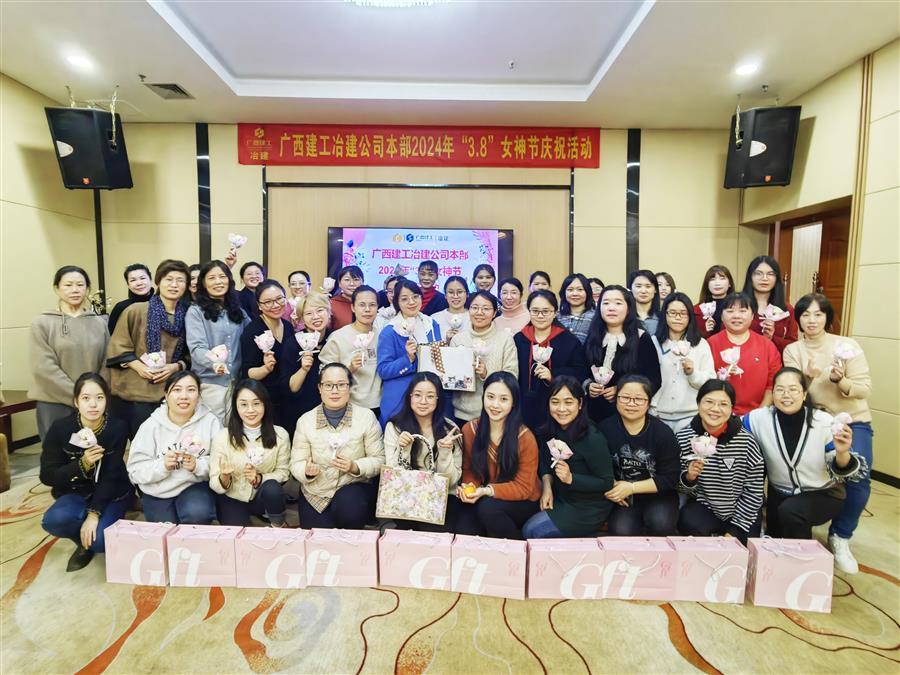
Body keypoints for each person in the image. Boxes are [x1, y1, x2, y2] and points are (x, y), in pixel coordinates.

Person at [783, 293, 873, 572]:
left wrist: (840, 380)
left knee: (858, 477)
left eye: (818, 314)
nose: (811, 320)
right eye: (805, 314)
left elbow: (864, 389)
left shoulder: (846, 346)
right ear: (798, 319)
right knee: (807, 476)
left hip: (851, 420)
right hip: (814, 422)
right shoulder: (793, 350)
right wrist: (808, 377)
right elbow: (791, 394)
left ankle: (841, 535)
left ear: (827, 317)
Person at [744, 367, 865, 540]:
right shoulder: (758, 419)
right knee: (774, 541)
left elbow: (842, 470)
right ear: (773, 394)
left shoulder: (824, 422)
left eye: (793, 389)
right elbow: (730, 427)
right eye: (780, 389)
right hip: (780, 494)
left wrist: (842, 452)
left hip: (823, 493)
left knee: (791, 513)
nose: (786, 395)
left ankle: (804, 555)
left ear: (804, 394)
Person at [40, 373, 131, 571]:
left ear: (107, 400)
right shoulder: (61, 428)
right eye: (86, 398)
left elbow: (112, 475)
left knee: (101, 541)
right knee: (54, 520)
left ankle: (96, 530)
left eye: (99, 398)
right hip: (75, 492)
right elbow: (47, 475)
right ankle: (82, 542)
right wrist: (82, 464)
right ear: (76, 401)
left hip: (111, 493)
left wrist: (94, 514)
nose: (93, 405)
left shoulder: (116, 428)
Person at [290, 363, 385, 528]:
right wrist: (306, 472)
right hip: (316, 492)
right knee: (317, 537)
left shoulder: (366, 417)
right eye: (328, 385)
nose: (335, 391)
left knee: (350, 507)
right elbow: (295, 463)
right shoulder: (305, 421)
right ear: (320, 388)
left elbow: (379, 459)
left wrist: (355, 466)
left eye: (341, 385)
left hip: (352, 488)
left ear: (350, 387)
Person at [522, 376, 615, 539]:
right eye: (555, 402)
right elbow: (545, 462)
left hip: (587, 507)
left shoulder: (592, 438)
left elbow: (606, 482)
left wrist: (571, 478)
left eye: (568, 402)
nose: (561, 409)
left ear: (580, 404)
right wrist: (547, 487)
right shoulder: (549, 429)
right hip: (560, 496)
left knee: (532, 530)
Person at [107, 259, 191, 437]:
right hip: (135, 392)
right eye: (169, 279)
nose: (174, 285)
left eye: (180, 280)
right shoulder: (136, 310)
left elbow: (192, 353)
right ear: (158, 281)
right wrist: (139, 366)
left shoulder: (190, 315)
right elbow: (118, 345)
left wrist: (176, 367)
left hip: (172, 390)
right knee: (141, 444)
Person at [675, 380, 764, 544]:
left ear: (732, 408)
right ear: (698, 403)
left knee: (746, 546)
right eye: (709, 402)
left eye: (723, 404)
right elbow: (680, 487)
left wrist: (734, 531)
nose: (715, 409)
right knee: (687, 522)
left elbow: (754, 491)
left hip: (741, 509)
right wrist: (689, 478)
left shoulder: (746, 442)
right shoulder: (684, 438)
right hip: (705, 506)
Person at [127, 371, 221, 524]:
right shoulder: (151, 426)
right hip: (157, 490)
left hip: (193, 485)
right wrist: (162, 466)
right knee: (165, 531)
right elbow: (135, 471)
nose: (184, 396)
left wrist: (197, 465)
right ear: (166, 394)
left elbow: (221, 462)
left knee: (197, 513)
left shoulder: (211, 422)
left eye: (191, 390)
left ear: (199, 395)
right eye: (177, 390)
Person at [456, 372, 541, 539]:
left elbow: (524, 488)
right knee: (464, 524)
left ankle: (516, 550)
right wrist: (469, 488)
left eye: (503, 399)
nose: (495, 405)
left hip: (523, 500)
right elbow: (469, 470)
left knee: (488, 508)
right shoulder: (470, 430)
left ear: (513, 402)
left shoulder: (525, 437)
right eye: (490, 397)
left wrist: (486, 491)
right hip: (485, 494)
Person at [29, 265, 109, 441]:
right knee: (57, 452)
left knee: (93, 450)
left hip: (92, 404)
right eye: (68, 285)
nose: (75, 290)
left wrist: (92, 395)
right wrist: (79, 395)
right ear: (57, 288)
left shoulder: (99, 322)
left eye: (80, 285)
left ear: (87, 288)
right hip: (54, 402)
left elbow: (106, 361)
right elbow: (43, 367)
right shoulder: (42, 322)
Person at [599, 375, 680, 536]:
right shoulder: (605, 428)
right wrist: (612, 488)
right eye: (625, 397)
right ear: (616, 399)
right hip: (623, 496)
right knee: (621, 530)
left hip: (658, 494)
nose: (631, 404)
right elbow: (598, 466)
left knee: (660, 524)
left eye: (639, 399)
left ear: (648, 402)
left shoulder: (662, 433)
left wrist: (631, 487)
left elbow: (671, 478)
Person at [383, 373, 463, 531]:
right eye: (418, 395)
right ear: (410, 397)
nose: (423, 401)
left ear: (438, 399)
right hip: (406, 493)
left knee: (435, 529)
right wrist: (404, 449)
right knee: (408, 527)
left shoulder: (450, 430)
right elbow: (392, 475)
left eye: (430, 396)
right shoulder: (395, 427)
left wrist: (445, 453)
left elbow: (453, 481)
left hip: (442, 496)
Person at [209, 379, 290, 527]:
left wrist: (259, 478)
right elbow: (214, 482)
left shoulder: (280, 434)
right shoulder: (222, 436)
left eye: (256, 403)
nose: (251, 410)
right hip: (232, 496)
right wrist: (225, 477)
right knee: (236, 534)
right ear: (236, 406)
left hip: (261, 496)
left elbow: (283, 473)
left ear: (265, 404)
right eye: (244, 404)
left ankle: (278, 524)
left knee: (272, 488)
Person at [584, 285, 661, 423]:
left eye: (618, 303)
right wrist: (588, 385)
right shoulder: (593, 336)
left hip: (628, 414)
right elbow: (581, 369)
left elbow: (653, 379)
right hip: (592, 414)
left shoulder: (642, 339)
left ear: (629, 308)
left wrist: (622, 390)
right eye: (606, 303)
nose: (611, 308)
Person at [186, 260, 250, 422]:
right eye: (211, 278)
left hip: (237, 384)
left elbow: (253, 336)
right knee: (212, 431)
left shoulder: (238, 311)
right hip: (210, 385)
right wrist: (214, 363)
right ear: (203, 283)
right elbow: (197, 348)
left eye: (222, 276)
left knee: (233, 432)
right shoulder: (196, 311)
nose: (218, 282)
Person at [514, 290, 588, 431]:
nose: (540, 316)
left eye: (546, 311)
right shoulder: (519, 339)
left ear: (555, 313)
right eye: (535, 311)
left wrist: (553, 374)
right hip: (524, 406)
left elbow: (580, 371)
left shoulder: (569, 341)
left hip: (558, 408)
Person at [376, 279, 441, 426]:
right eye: (404, 299)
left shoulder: (431, 324)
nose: (411, 302)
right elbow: (383, 370)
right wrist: (408, 359)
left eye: (415, 296)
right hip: (400, 398)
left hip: (428, 397)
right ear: (397, 302)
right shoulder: (390, 331)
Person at [707, 292, 782, 415]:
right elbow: (703, 382)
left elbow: (772, 385)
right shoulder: (710, 344)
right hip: (718, 414)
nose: (736, 316)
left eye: (742, 311)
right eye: (730, 311)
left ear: (752, 316)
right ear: (721, 316)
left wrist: (756, 416)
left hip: (758, 415)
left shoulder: (767, 346)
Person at [450, 291, 518, 424]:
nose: (479, 312)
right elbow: (452, 379)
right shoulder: (458, 340)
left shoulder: (505, 340)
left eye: (486, 309)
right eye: (475, 308)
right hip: (463, 414)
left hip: (496, 413)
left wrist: (487, 374)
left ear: (494, 313)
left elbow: (512, 376)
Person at [650, 292, 715, 431]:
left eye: (683, 313)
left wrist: (693, 373)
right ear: (665, 315)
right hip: (658, 415)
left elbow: (710, 380)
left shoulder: (700, 344)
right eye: (672, 313)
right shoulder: (653, 342)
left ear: (690, 316)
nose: (678, 318)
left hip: (691, 416)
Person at [239, 280, 294, 430]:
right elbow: (248, 373)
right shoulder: (253, 331)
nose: (275, 305)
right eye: (268, 302)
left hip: (288, 398)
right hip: (264, 400)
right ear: (259, 305)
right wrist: (266, 369)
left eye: (279, 299)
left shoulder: (288, 327)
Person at [320, 285, 382, 416]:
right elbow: (324, 373)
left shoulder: (382, 336)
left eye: (372, 305)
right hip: (349, 405)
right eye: (362, 305)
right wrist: (350, 368)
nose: (367, 309)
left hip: (379, 404)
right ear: (353, 307)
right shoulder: (338, 337)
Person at [279, 292, 332, 435]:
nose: (315, 317)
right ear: (302, 319)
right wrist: (303, 369)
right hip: (300, 411)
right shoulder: (293, 343)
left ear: (328, 312)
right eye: (309, 313)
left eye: (320, 310)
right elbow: (291, 388)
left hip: (331, 409)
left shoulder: (334, 339)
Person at [742, 255, 798, 352]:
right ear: (750, 277)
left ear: (776, 278)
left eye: (770, 274)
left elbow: (793, 346)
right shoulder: (738, 306)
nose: (764, 278)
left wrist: (772, 338)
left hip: (776, 359)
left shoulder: (787, 309)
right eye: (758, 273)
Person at [107, 263, 153, 335]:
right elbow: (112, 335)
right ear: (128, 284)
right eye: (133, 280)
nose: (139, 283)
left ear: (150, 280)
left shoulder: (162, 303)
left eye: (142, 278)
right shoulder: (121, 307)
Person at [694, 265, 735, 338]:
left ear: (729, 283)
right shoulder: (696, 310)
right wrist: (704, 332)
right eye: (712, 279)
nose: (717, 283)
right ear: (707, 284)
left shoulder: (737, 308)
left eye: (722, 278)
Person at [557, 273, 595, 344]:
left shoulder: (595, 317)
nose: (575, 294)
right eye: (570, 290)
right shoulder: (556, 316)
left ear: (587, 292)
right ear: (564, 293)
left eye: (580, 289)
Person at [430, 275, 470, 340]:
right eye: (451, 292)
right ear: (445, 295)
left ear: (467, 294)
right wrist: (446, 341)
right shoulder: (434, 318)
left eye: (460, 292)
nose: (455, 296)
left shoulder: (474, 317)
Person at [628, 269, 661, 335]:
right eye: (638, 286)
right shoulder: (625, 317)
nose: (643, 291)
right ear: (630, 289)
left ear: (655, 290)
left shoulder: (663, 318)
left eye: (648, 286)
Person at [330, 265, 364, 330]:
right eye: (347, 280)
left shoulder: (367, 303)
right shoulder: (331, 304)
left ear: (362, 282)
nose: (352, 284)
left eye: (356, 279)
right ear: (339, 283)